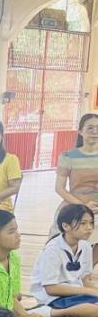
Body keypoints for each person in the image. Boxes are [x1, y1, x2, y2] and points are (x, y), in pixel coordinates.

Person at [28, 204, 98, 317]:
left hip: (76, 294)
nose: (89, 228)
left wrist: (94, 290)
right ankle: (53, 313)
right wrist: (88, 291)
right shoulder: (52, 249)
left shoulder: (85, 246)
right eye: (83, 223)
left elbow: (85, 280)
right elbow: (51, 288)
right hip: (53, 298)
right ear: (66, 226)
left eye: (91, 223)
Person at [55, 112, 98, 264]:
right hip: (74, 204)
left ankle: (85, 270)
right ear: (80, 131)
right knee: (62, 236)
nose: (95, 131)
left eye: (97, 128)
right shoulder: (68, 156)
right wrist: (83, 206)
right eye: (90, 128)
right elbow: (59, 188)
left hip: (96, 206)